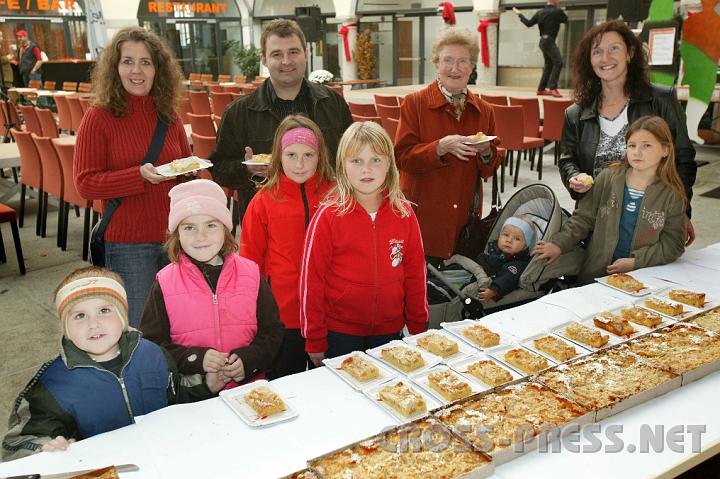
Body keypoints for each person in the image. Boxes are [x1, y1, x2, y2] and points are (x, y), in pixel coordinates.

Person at [1, 267, 223, 462]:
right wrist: (42, 447)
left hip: (164, 458)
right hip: (104, 468)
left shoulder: (152, 354)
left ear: (123, 317)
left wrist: (206, 385)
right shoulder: (53, 383)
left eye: (104, 311)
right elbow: (16, 442)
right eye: (79, 316)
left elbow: (174, 392)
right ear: (65, 328)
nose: (93, 324)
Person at [75, 27, 192, 328]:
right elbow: (85, 182)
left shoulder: (169, 114)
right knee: (138, 329)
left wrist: (192, 172)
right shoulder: (98, 116)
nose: (136, 70)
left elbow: (185, 169)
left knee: (178, 325)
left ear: (158, 69)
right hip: (127, 244)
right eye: (128, 61)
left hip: (174, 239)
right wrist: (137, 177)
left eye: (146, 62)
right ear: (115, 67)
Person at [300, 121, 428, 365]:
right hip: (340, 334)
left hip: (391, 332)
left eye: (376, 160)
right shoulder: (327, 216)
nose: (366, 169)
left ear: (389, 164)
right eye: (356, 161)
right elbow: (311, 282)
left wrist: (418, 327)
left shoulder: (404, 213)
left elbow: (415, 275)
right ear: (343, 166)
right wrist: (314, 339)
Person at [559, 19, 697, 246]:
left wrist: (681, 211)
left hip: (651, 218)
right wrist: (574, 177)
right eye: (597, 52)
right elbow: (567, 160)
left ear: (630, 54)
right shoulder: (575, 113)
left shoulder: (660, 100)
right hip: (596, 220)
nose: (605, 58)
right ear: (589, 60)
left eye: (614, 48)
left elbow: (684, 159)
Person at [141, 179, 284, 388]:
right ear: (176, 235)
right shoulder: (164, 283)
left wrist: (249, 360)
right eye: (189, 227)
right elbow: (152, 345)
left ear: (225, 229)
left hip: (249, 391)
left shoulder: (251, 274)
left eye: (211, 225)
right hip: (192, 396)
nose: (201, 236)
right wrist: (194, 359)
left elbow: (272, 332)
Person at [210, 19, 352, 216]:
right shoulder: (238, 112)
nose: (286, 61)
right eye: (277, 54)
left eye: (293, 52)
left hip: (328, 218)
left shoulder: (333, 103)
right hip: (267, 225)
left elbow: (350, 159)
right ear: (264, 59)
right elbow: (218, 170)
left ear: (306, 53)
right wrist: (247, 169)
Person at [534, 116, 686, 283]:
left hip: (642, 280)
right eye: (632, 145)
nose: (637, 152)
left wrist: (636, 262)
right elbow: (583, 218)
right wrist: (559, 244)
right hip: (595, 275)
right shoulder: (608, 177)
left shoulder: (672, 195)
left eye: (647, 145)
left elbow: (673, 244)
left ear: (665, 150)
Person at [239, 115, 334, 379]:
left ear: (320, 155)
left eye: (308, 155)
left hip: (330, 314)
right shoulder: (263, 201)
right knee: (287, 389)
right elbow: (249, 264)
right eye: (291, 154)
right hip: (283, 318)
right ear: (278, 156)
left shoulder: (335, 195)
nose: (300, 164)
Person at [395, 26, 501, 262]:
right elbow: (401, 158)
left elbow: (489, 169)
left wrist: (485, 152)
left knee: (455, 287)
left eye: (463, 61)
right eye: (448, 60)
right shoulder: (415, 104)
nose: (455, 68)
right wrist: (439, 147)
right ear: (436, 64)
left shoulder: (485, 111)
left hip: (464, 222)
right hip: (422, 218)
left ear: (472, 67)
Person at [474, 216, 536, 303]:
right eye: (506, 235)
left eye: (517, 238)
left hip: (490, 287)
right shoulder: (495, 250)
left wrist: (493, 291)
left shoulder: (516, 265)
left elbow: (506, 280)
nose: (509, 240)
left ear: (525, 246)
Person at [513, 0, 568, 97]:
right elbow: (565, 20)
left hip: (543, 41)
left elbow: (528, 23)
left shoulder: (540, 12)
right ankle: (552, 88)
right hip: (549, 41)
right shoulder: (557, 11)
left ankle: (541, 89)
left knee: (549, 65)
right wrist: (561, 10)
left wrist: (519, 14)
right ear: (556, 1)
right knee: (558, 62)